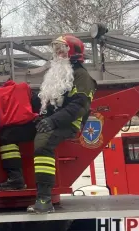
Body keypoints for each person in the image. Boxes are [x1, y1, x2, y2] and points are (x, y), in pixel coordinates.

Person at [27, 34, 97, 213]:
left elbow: (78, 107)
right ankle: (15, 180)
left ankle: (44, 199)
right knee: (9, 134)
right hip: (54, 120)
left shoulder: (82, 76)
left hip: (69, 124)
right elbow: (48, 102)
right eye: (56, 49)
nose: (58, 52)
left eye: (62, 49)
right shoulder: (57, 75)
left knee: (42, 143)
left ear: (74, 53)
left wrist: (52, 121)